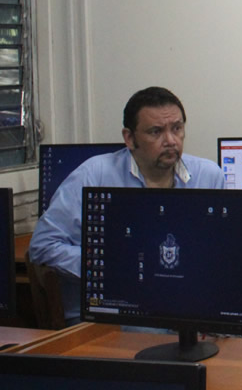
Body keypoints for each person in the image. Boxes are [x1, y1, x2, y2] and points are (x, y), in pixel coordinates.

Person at [29, 86, 224, 324]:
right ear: (129, 138)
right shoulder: (94, 175)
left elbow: (220, 253)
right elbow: (43, 245)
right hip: (107, 314)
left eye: (177, 128)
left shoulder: (208, 176)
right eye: (156, 132)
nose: (171, 141)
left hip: (180, 311)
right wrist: (107, 266)